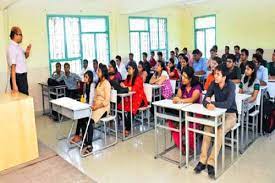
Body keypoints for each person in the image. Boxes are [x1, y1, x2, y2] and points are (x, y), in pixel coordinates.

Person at [194, 64, 237, 179]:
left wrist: (211, 103)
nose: (215, 76)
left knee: (219, 130)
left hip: (230, 114)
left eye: (218, 74)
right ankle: (202, 161)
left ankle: (211, 162)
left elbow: (228, 104)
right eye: (215, 74)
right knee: (207, 128)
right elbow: (204, 99)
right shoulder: (213, 84)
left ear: (224, 76)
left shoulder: (231, 85)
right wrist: (207, 103)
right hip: (216, 113)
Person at [168, 67, 202, 152]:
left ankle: (191, 148)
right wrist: (176, 99)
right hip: (183, 112)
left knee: (190, 127)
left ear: (190, 78)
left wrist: (180, 100)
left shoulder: (197, 87)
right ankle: (181, 146)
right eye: (182, 76)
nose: (182, 78)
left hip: (195, 114)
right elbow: (178, 97)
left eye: (185, 77)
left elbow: (192, 100)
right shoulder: (182, 86)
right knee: (171, 122)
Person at [82, 64, 111, 154]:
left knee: (90, 122)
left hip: (104, 108)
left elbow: (106, 101)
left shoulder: (106, 83)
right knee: (83, 118)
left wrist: (96, 107)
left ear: (103, 73)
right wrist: (92, 105)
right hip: (96, 106)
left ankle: (90, 145)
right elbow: (95, 97)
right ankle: (85, 141)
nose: (97, 72)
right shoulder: (99, 83)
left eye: (99, 71)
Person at [118, 61, 148, 136]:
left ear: (134, 69)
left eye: (129, 68)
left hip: (139, 99)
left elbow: (134, 89)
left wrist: (126, 87)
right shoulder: (128, 77)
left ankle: (128, 128)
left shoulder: (139, 78)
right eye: (127, 68)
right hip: (130, 98)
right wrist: (122, 84)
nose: (128, 70)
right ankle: (126, 124)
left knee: (131, 109)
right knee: (119, 108)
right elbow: (124, 84)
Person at [70, 70, 96, 144]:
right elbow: (84, 96)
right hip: (86, 105)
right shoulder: (85, 85)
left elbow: (91, 98)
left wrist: (87, 107)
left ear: (90, 78)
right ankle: (78, 135)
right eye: (84, 76)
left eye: (86, 77)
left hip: (91, 106)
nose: (84, 78)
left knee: (82, 117)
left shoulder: (92, 85)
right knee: (79, 117)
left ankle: (80, 136)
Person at [7, 26, 32, 95]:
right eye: (20, 34)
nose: (22, 36)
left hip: (22, 78)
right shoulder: (12, 48)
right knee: (21, 102)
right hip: (18, 78)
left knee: (25, 99)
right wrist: (14, 85)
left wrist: (27, 51)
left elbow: (25, 57)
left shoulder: (18, 47)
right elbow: (13, 67)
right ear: (15, 35)